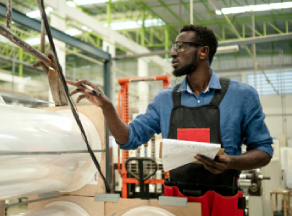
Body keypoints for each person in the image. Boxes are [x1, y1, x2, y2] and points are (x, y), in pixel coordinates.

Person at [67, 25, 273, 216]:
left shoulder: (242, 95)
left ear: (203, 52)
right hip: (175, 203)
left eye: (180, 47)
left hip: (221, 203)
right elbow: (129, 139)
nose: (173, 53)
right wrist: (107, 107)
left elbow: (263, 151)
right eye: (173, 47)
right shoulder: (164, 99)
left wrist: (231, 162)